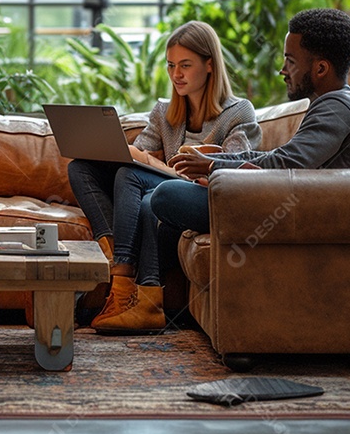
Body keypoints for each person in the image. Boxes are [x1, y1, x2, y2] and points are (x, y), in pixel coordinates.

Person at [147, 8, 350, 328]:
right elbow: (284, 156)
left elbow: (286, 163)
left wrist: (213, 165)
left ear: (321, 68)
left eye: (291, 60)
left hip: (291, 211)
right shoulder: (339, 102)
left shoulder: (337, 107)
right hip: (288, 202)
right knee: (169, 216)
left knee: (165, 196)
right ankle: (165, 308)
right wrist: (218, 161)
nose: (282, 70)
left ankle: (148, 304)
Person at [69, 21, 262, 334]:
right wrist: (118, 150)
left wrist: (158, 166)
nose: (177, 75)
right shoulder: (164, 112)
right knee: (81, 167)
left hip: (194, 197)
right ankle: (118, 250)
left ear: (209, 65)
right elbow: (139, 151)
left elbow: (231, 168)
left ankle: (123, 282)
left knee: (138, 185)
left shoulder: (238, 113)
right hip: (163, 189)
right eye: (171, 66)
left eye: (186, 65)